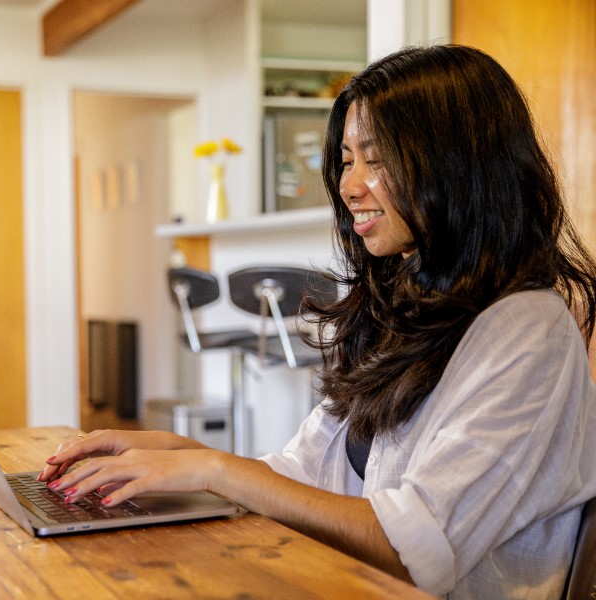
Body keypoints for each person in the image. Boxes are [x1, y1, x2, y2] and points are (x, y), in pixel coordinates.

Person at [38, 45, 596, 599]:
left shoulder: (529, 330)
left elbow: (413, 551)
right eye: (348, 160)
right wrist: (173, 455)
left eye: (378, 159)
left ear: (459, 165)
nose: (350, 186)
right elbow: (301, 473)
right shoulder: (401, 304)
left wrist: (214, 470)